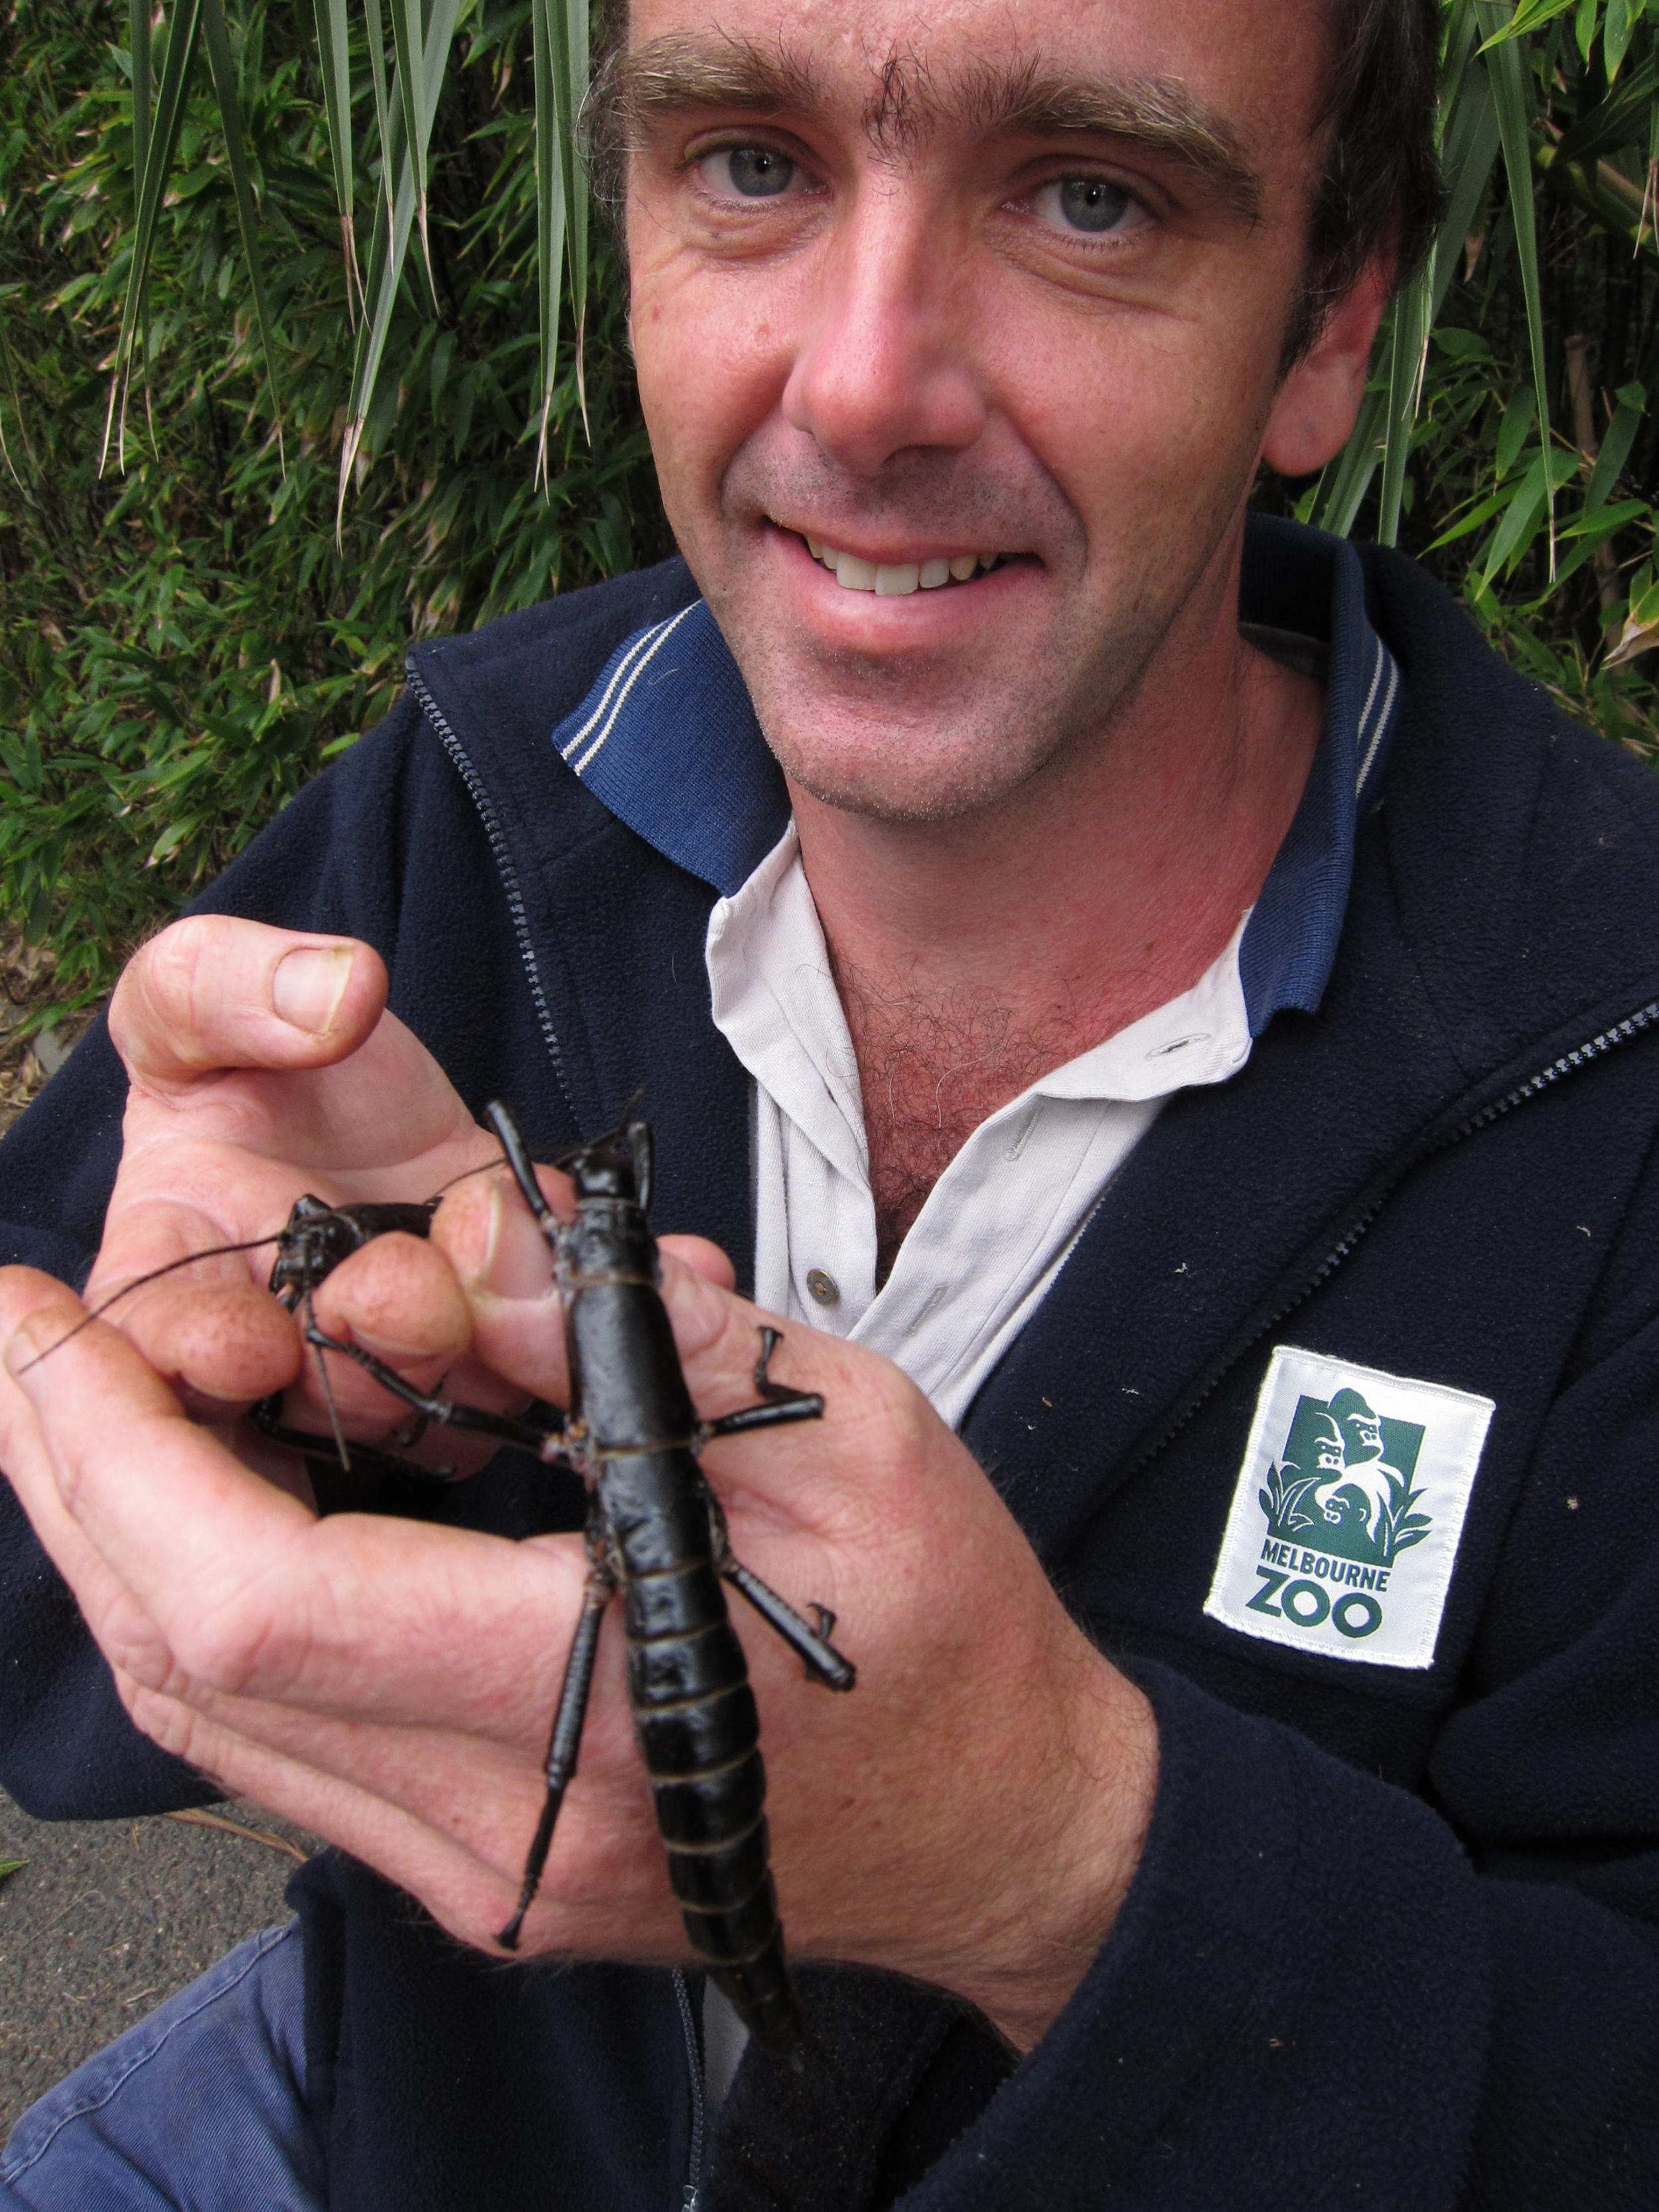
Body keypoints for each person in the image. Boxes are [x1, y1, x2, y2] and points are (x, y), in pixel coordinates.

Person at [3, 0, 1658, 2203]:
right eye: (750, 160)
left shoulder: (1605, 1071)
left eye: (1091, 196)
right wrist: (205, 1421)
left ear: (1324, 327)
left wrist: (1061, 1862)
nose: (862, 385)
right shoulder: (478, 806)